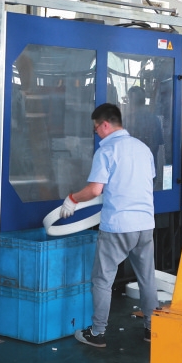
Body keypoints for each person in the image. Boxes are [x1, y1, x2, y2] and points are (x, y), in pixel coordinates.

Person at [61, 103, 157, 348]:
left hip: (118, 226)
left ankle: (98, 332)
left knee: (102, 280)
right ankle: (152, 329)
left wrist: (72, 199)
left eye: (96, 129)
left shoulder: (107, 150)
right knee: (147, 278)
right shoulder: (143, 148)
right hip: (145, 224)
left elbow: (95, 190)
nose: (96, 134)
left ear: (105, 124)